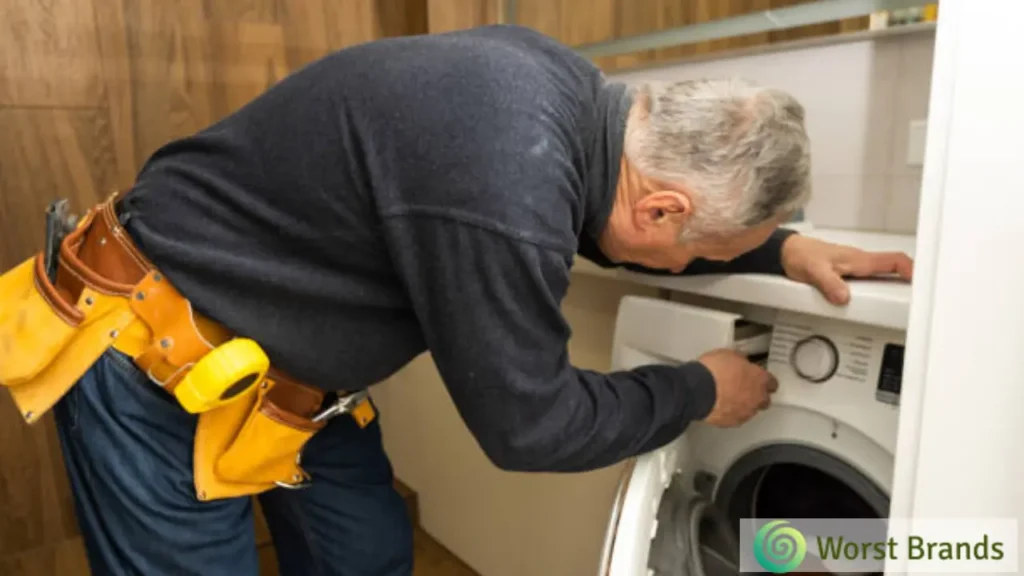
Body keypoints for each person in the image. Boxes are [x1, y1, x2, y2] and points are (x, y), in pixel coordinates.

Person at [7, 24, 912, 575]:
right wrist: (698, 392)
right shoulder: (506, 185)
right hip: (152, 363)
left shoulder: (563, 95)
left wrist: (784, 250)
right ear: (665, 203)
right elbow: (532, 426)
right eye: (699, 254)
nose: (682, 270)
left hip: (289, 390)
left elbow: (610, 225)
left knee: (364, 554)